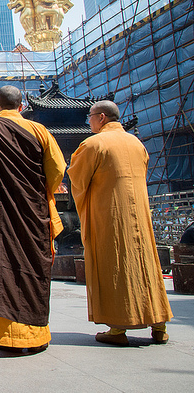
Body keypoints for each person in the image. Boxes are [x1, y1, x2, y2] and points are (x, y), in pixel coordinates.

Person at [0, 85, 65, 353]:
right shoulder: (39, 132)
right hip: (33, 214)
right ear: (21, 107)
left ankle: (3, 337)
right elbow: (56, 169)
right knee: (32, 270)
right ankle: (34, 335)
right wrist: (39, 193)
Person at [67, 100, 173, 346]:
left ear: (101, 117)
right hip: (139, 217)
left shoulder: (94, 144)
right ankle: (159, 325)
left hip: (110, 216)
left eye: (91, 117)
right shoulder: (136, 143)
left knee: (116, 265)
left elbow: (78, 179)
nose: (89, 121)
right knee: (147, 265)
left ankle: (117, 328)